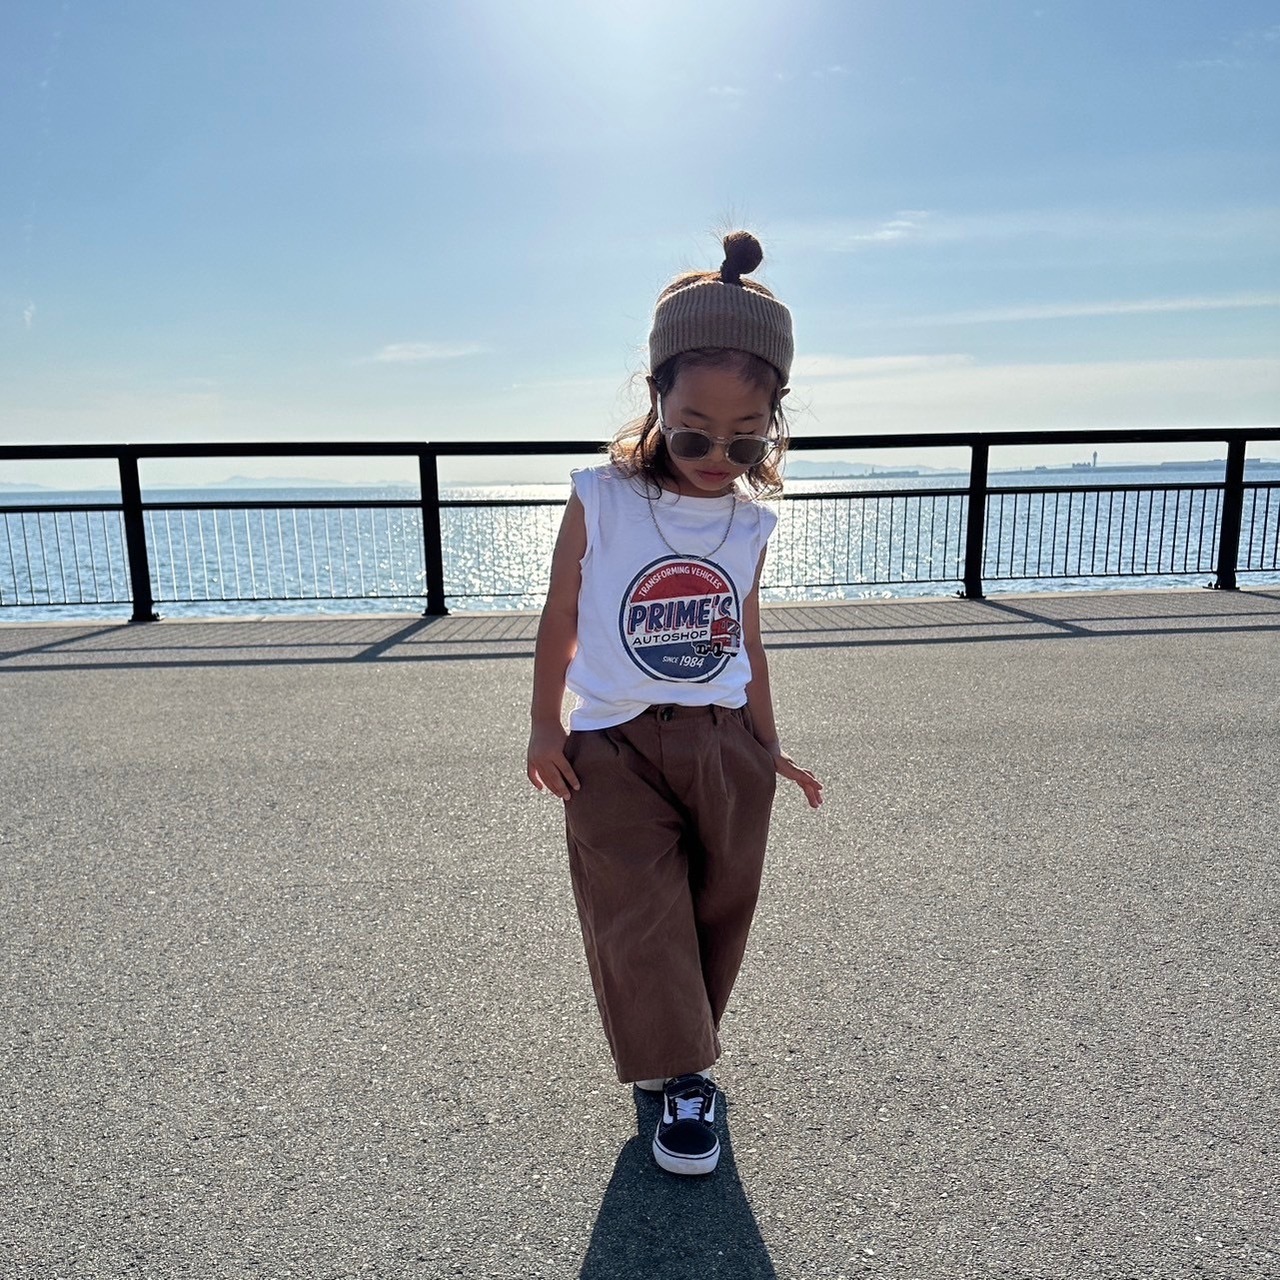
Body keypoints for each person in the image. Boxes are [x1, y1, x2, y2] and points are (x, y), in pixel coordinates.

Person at [526, 230, 823, 1177]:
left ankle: (678, 1041)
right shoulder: (603, 496)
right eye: (693, 432)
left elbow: (748, 641)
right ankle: (685, 1079)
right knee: (637, 908)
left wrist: (770, 746)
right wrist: (543, 722)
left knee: (717, 905)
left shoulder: (749, 520)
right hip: (611, 746)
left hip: (724, 741)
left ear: (774, 421)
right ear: (655, 395)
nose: (716, 456)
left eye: (747, 439)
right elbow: (561, 612)